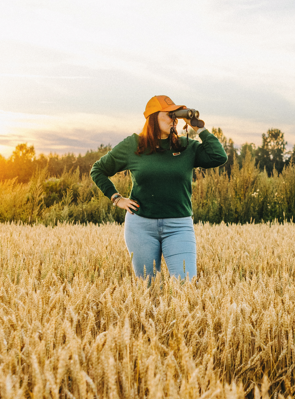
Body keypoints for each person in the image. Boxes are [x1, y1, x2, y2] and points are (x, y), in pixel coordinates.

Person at [90, 96, 227, 281]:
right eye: (169, 114)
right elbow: (98, 170)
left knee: (186, 286)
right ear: (153, 118)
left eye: (175, 115)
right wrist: (117, 198)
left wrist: (198, 127)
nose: (174, 119)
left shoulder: (186, 147)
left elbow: (219, 156)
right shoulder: (133, 145)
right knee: (148, 289)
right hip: (140, 226)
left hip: (179, 226)